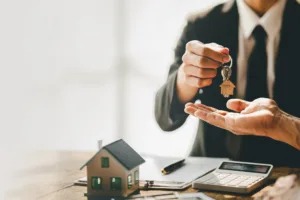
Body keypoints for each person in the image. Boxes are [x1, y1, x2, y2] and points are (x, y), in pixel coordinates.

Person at [155, 0, 300, 167]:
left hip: (291, 172)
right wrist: (186, 78)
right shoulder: (202, 23)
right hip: (212, 170)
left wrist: (283, 124)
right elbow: (164, 117)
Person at [185, 98, 300, 151]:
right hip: (210, 164)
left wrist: (279, 122)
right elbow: (168, 117)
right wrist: (185, 79)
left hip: (288, 173)